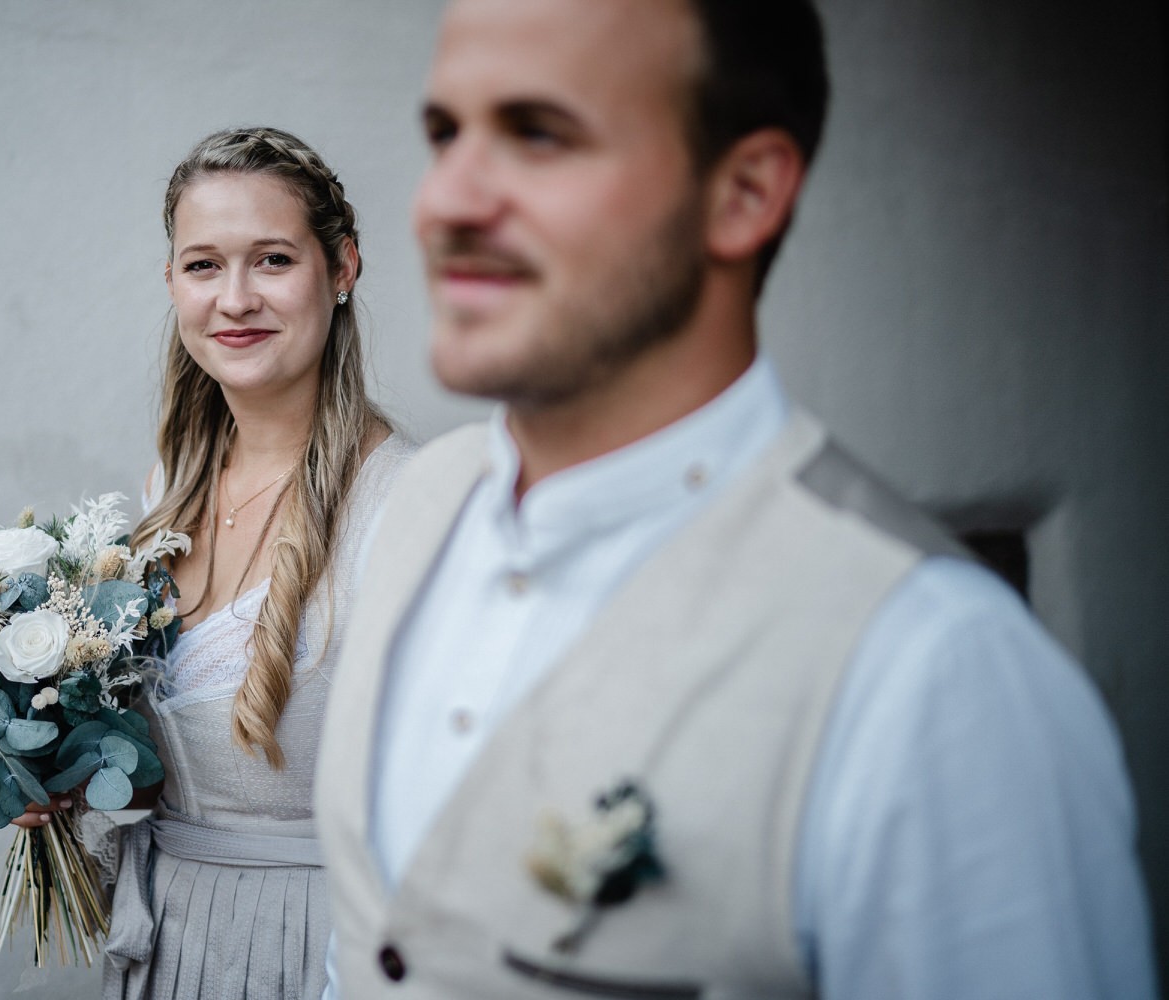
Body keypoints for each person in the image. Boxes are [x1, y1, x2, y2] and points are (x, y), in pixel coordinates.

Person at [315, 2, 1156, 998]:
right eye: (444, 133)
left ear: (744, 193)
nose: (443, 201)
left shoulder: (935, 671)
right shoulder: (416, 504)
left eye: (539, 134)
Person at [14, 125, 413, 1000]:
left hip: (325, 949)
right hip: (170, 941)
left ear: (341, 268)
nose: (235, 299)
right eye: (203, 266)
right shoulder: (170, 489)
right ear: (171, 282)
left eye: (272, 259)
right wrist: (59, 770)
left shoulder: (405, 504)